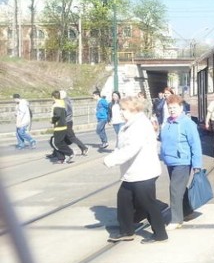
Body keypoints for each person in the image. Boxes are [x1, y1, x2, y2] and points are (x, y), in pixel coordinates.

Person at [103, 96, 168, 244]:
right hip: (133, 173)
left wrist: (111, 160)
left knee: (148, 204)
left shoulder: (139, 125)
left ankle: (160, 234)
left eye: (123, 109)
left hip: (143, 172)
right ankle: (126, 231)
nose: (121, 112)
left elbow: (131, 149)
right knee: (124, 199)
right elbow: (122, 147)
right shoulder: (131, 124)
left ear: (134, 109)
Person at [159, 94, 203, 230]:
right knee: (180, 189)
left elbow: (195, 144)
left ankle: (176, 219)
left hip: (182, 162)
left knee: (174, 190)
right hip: (170, 161)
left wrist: (197, 165)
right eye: (169, 107)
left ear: (181, 107)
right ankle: (187, 211)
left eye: (174, 107)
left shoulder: (187, 124)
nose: (172, 110)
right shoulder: (168, 122)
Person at [60, 90, 88, 156]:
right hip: (68, 121)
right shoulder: (67, 100)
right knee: (63, 138)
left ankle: (84, 148)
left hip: (66, 121)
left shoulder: (64, 102)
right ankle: (58, 152)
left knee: (71, 137)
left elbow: (64, 112)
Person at [50, 90, 74, 164]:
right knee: (60, 142)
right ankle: (61, 158)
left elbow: (57, 115)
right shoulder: (62, 103)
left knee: (55, 143)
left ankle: (70, 153)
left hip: (59, 126)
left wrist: (53, 121)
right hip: (63, 125)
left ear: (53, 97)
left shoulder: (56, 105)